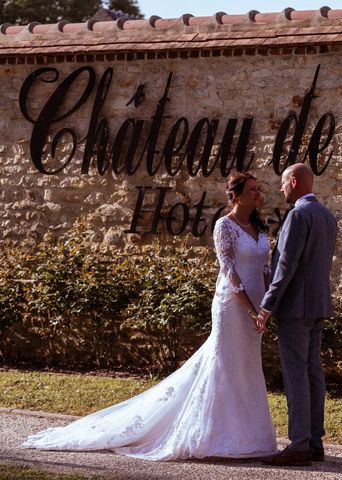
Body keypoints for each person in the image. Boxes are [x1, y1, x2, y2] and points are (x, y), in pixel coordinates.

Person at [22, 172, 277, 461]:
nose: (258, 193)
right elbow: (229, 272)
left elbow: (265, 269)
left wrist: (267, 306)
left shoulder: (259, 225)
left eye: (259, 189)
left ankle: (249, 436)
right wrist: (251, 309)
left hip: (257, 308)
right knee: (225, 365)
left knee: (247, 366)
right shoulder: (224, 226)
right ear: (236, 195)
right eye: (252, 189)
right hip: (233, 306)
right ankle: (216, 436)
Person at [256, 163, 337, 467]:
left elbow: (285, 266)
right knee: (313, 371)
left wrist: (267, 306)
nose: (281, 190)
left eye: (282, 184)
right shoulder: (327, 217)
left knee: (296, 375)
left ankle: (299, 444)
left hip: (295, 308)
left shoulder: (298, 215)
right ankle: (315, 442)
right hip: (318, 305)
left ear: (293, 181)